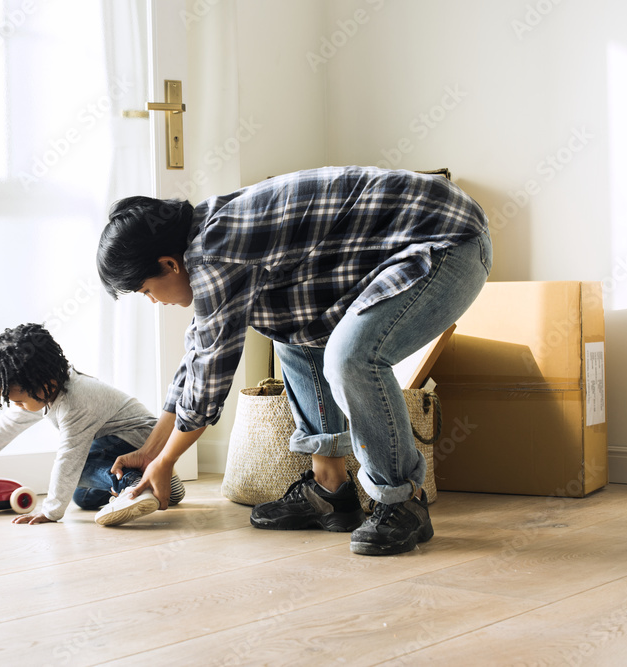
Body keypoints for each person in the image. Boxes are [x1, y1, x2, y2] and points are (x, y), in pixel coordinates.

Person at [96, 166, 491, 555]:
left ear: (169, 265)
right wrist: (151, 451)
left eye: (146, 290)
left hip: (448, 241)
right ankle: (331, 488)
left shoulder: (214, 250)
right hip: (409, 244)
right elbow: (198, 356)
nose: (153, 301)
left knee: (351, 359)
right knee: (286, 323)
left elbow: (211, 377)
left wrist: (166, 462)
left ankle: (403, 499)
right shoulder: (208, 236)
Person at [0, 323, 185, 527]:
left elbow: (69, 458)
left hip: (137, 439)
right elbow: (9, 424)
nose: (18, 407)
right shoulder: (47, 391)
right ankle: (166, 487)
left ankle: (134, 483)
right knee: (82, 497)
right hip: (115, 444)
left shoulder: (75, 402)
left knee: (78, 469)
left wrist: (50, 511)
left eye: (19, 401)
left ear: (44, 386)